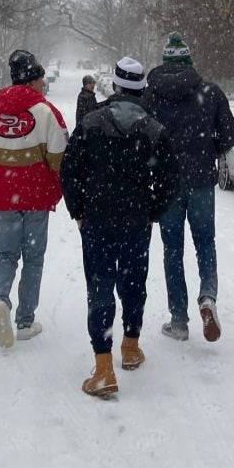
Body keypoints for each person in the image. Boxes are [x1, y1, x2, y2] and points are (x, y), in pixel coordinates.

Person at [61, 57, 178, 398]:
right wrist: (152, 209)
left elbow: (70, 172)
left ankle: (103, 367)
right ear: (142, 89)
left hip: (97, 220)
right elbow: (170, 180)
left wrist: (79, 210)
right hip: (136, 220)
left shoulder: (90, 123)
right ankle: (130, 344)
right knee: (133, 281)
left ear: (114, 86)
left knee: (99, 286)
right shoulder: (153, 129)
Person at [0, 49, 68, 349]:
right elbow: (61, 158)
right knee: (33, 259)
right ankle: (25, 321)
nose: (43, 85)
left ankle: (1, 299)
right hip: (37, 199)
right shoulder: (46, 112)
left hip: (5, 200)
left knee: (7, 255)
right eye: (40, 79)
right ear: (33, 80)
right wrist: (53, 189)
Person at [146, 31, 234, 343]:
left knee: (172, 250)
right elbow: (229, 134)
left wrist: (155, 162)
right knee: (205, 243)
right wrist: (210, 150)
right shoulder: (210, 93)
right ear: (189, 60)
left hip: (167, 184)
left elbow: (141, 138)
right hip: (201, 182)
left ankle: (178, 320)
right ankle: (208, 297)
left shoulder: (151, 96)